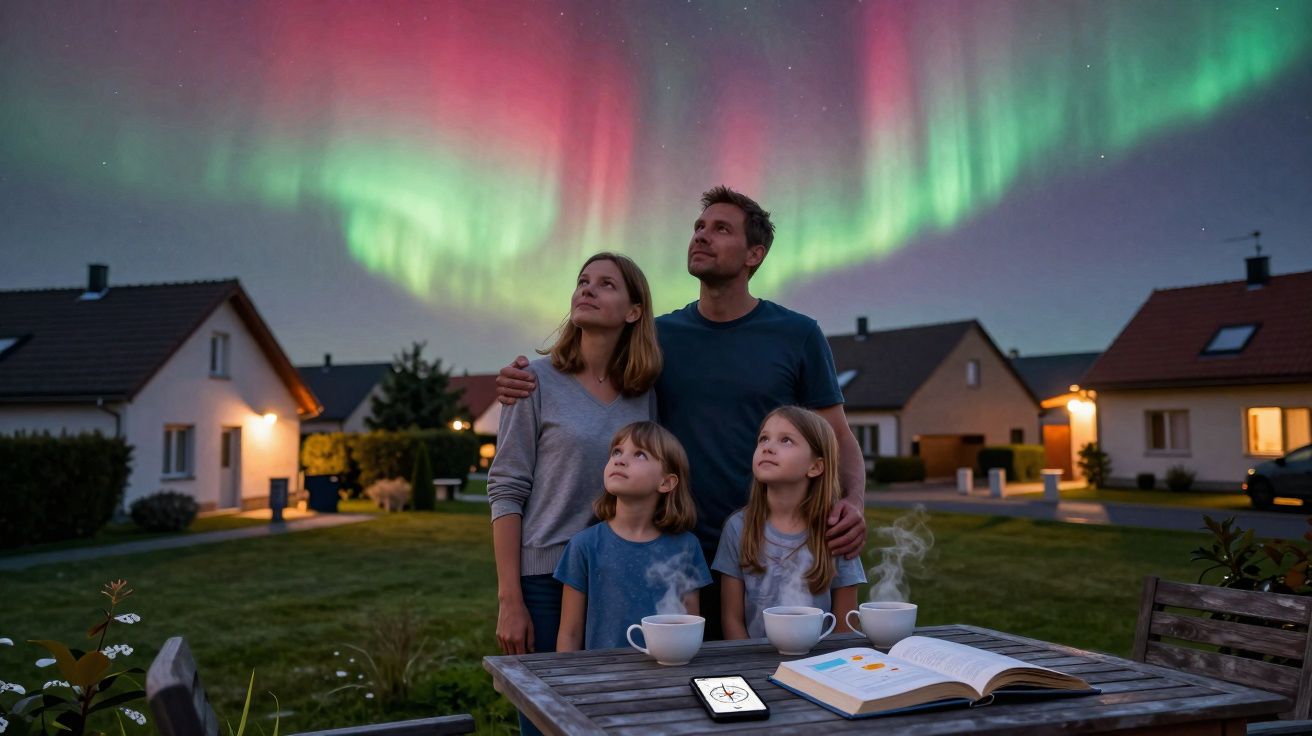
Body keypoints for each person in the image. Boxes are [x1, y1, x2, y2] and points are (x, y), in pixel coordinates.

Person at [498, 187, 868, 638]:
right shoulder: (657, 340)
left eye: (721, 229)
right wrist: (521, 378)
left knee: (766, 687)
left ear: (755, 253)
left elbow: (838, 436)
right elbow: (586, 378)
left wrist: (853, 503)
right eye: (698, 227)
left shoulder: (797, 335)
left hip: (760, 553)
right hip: (669, 552)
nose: (702, 236)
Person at [487, 252, 660, 735]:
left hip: (619, 576)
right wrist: (510, 598)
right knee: (546, 723)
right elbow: (505, 487)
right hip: (543, 582)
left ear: (633, 311)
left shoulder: (644, 392)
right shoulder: (533, 381)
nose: (587, 289)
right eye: (583, 280)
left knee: (617, 719)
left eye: (606, 284)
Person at [555, 421, 712, 651]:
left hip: (667, 676)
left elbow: (689, 629)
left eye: (639, 454)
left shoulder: (687, 547)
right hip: (600, 680)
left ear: (666, 482)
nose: (620, 459)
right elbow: (570, 634)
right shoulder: (584, 545)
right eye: (617, 451)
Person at [714, 406, 865, 639]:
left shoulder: (838, 529)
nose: (767, 447)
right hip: (754, 665)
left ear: (815, 467)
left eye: (786, 440)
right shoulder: (738, 527)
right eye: (763, 438)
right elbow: (732, 620)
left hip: (819, 668)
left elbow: (846, 624)